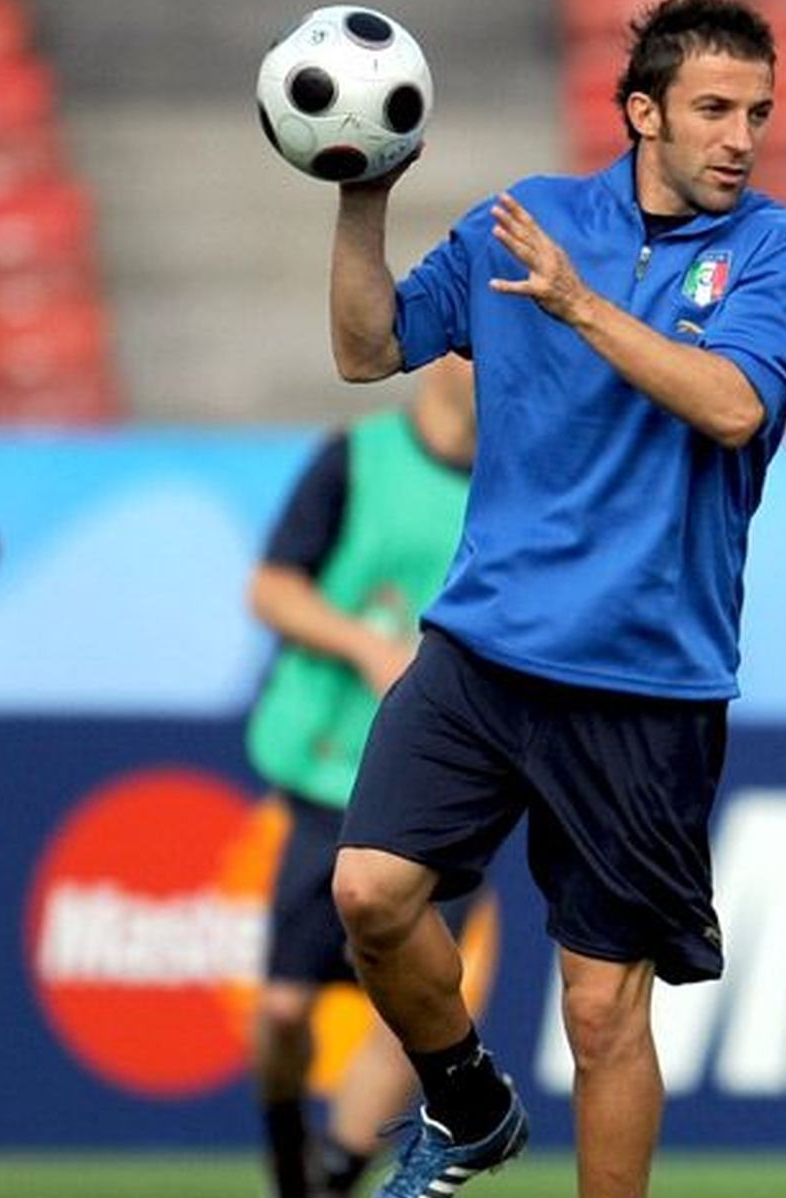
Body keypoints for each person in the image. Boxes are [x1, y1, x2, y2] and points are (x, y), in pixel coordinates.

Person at [328, 3, 786, 1197]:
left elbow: (729, 406)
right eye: (714, 109)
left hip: (644, 680)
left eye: (757, 112)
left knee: (600, 1011)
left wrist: (578, 307)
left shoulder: (783, 251)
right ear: (642, 112)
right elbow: (367, 349)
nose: (741, 137)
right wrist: (361, 194)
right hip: (482, 650)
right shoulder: (532, 218)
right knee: (369, 892)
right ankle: (465, 1098)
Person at [245, 355, 483, 1198]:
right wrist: (366, 647)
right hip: (326, 768)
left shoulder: (518, 482)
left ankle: (335, 1180)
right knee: (282, 1009)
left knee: (415, 1009)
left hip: (444, 785)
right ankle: (287, 1153)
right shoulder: (358, 457)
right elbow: (273, 588)